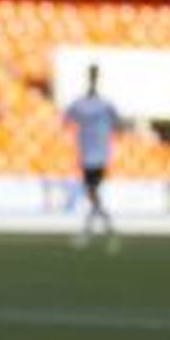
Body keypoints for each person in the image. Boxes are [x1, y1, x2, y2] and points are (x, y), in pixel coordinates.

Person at [63, 64, 120, 251]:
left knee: (92, 193)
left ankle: (97, 231)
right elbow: (119, 124)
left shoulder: (82, 105)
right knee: (93, 194)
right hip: (95, 154)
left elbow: (66, 120)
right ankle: (103, 231)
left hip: (93, 155)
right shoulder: (103, 105)